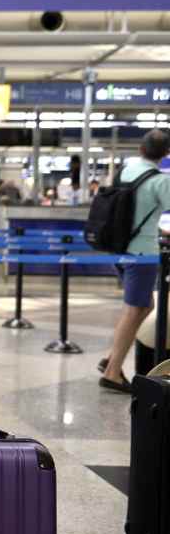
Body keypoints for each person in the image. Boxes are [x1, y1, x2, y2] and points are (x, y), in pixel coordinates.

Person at [98, 130, 170, 393]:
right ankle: (113, 371)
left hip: (118, 249)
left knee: (144, 305)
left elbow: (132, 213)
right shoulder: (160, 180)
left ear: (141, 149)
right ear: (165, 154)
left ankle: (110, 356)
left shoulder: (124, 171)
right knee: (134, 309)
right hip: (142, 254)